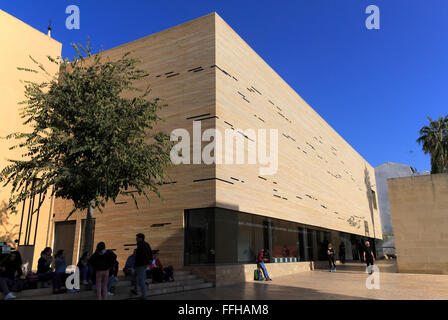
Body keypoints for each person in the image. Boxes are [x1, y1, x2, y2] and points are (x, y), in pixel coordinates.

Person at [131, 233, 152, 300]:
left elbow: (140, 256)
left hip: (140, 264)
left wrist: (136, 263)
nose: (136, 239)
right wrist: (149, 261)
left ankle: (144, 296)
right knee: (135, 276)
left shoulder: (140, 245)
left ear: (140, 238)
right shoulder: (146, 244)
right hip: (144, 264)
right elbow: (150, 253)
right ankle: (135, 290)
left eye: (137, 237)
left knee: (141, 280)